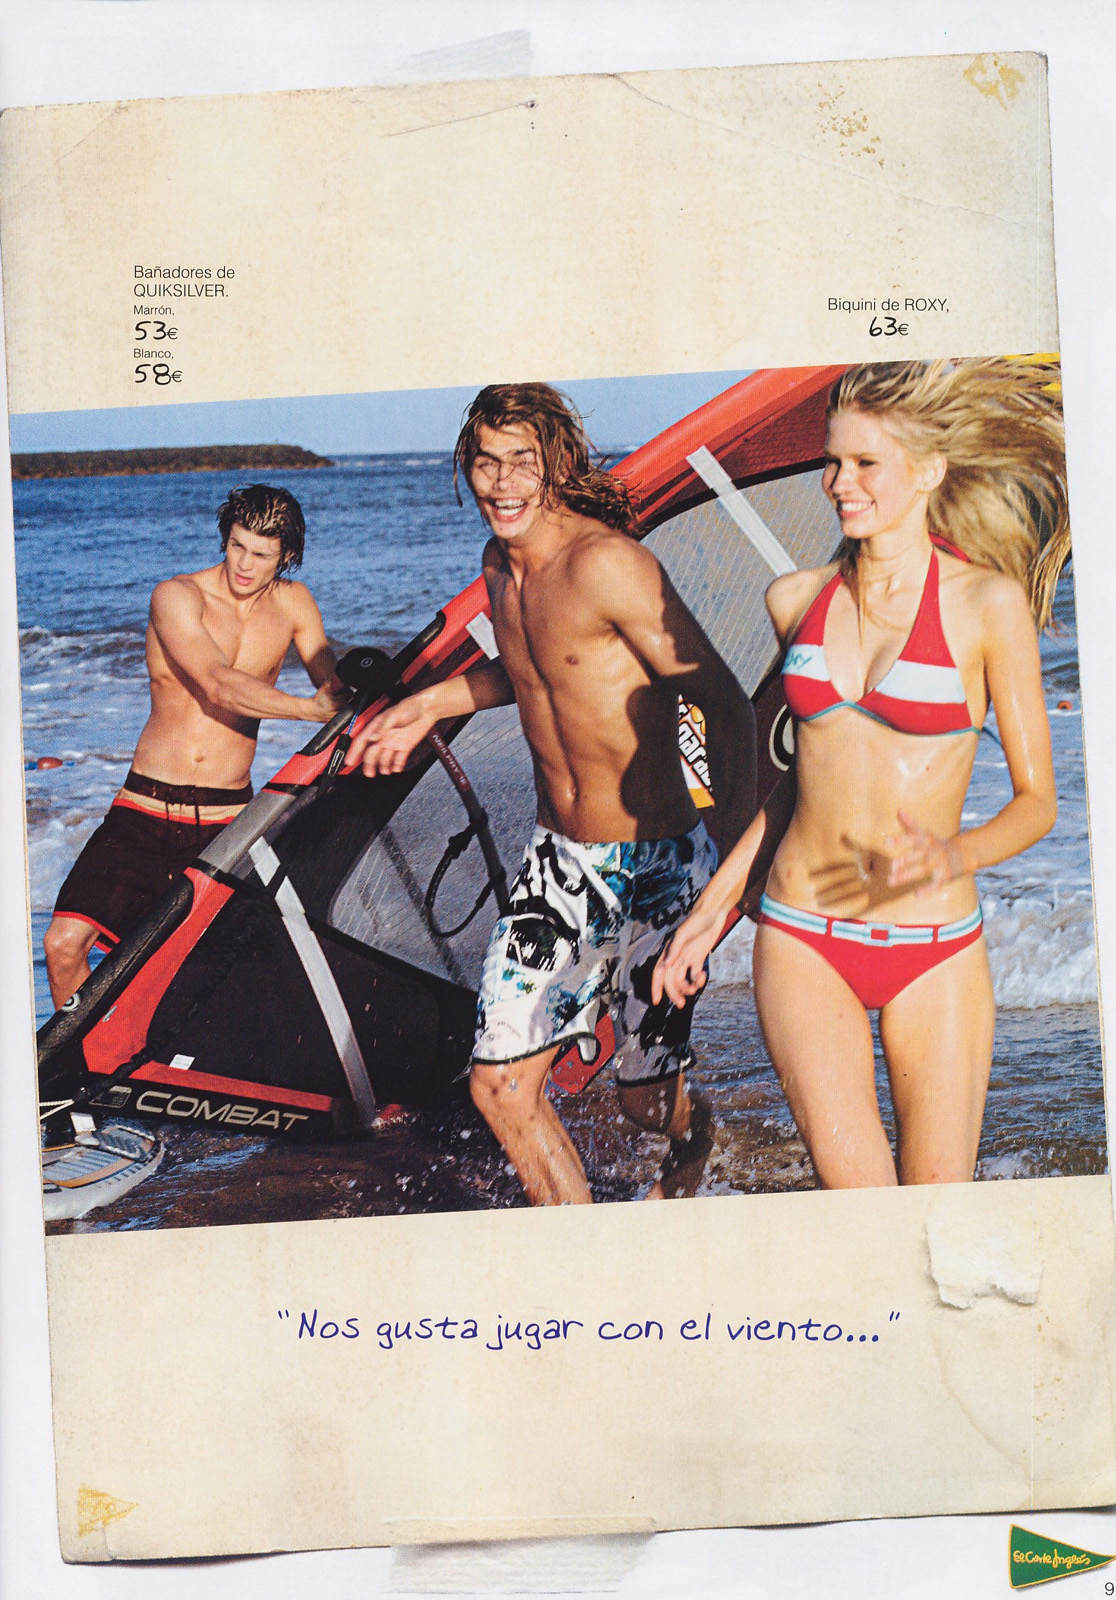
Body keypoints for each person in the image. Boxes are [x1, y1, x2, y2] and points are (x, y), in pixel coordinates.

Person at [654, 358, 1069, 1189]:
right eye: (833, 461)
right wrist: (710, 913)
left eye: (865, 463)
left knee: (938, 1207)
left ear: (930, 470)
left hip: (935, 946)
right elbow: (799, 783)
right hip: (802, 933)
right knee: (862, 1208)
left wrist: (954, 855)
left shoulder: (988, 607)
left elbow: (1037, 804)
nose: (839, 483)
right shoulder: (796, 599)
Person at [345, 383, 756, 1205]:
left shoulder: (608, 564)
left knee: (644, 1104)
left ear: (557, 465)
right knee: (500, 1087)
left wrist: (729, 868)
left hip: (658, 867)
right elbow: (538, 668)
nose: (501, 482)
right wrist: (429, 703)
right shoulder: (499, 566)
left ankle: (693, 1132)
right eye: (485, 462)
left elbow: (720, 698)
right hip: (560, 866)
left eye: (521, 462)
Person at [44, 483, 344, 1008]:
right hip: (144, 808)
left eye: (261, 554)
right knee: (63, 945)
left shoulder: (295, 603)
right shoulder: (177, 596)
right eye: (237, 546)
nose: (244, 565)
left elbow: (336, 691)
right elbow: (216, 684)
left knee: (221, 979)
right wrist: (307, 709)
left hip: (229, 819)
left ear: (287, 556)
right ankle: (84, 1059)